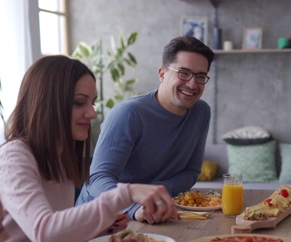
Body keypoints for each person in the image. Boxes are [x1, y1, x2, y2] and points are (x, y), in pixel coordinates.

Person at [0, 55, 177, 242]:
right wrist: (125, 193)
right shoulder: (14, 158)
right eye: (79, 103)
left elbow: (58, 234)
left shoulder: (60, 158)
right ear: (47, 103)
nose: (92, 113)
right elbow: (46, 234)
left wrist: (99, 227)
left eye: (92, 103)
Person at [75, 36, 215, 225]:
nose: (192, 84)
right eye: (183, 73)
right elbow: (98, 179)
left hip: (155, 214)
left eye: (200, 76)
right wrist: (135, 205)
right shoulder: (128, 114)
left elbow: (191, 171)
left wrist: (154, 194)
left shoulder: (201, 112)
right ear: (162, 74)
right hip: (101, 221)